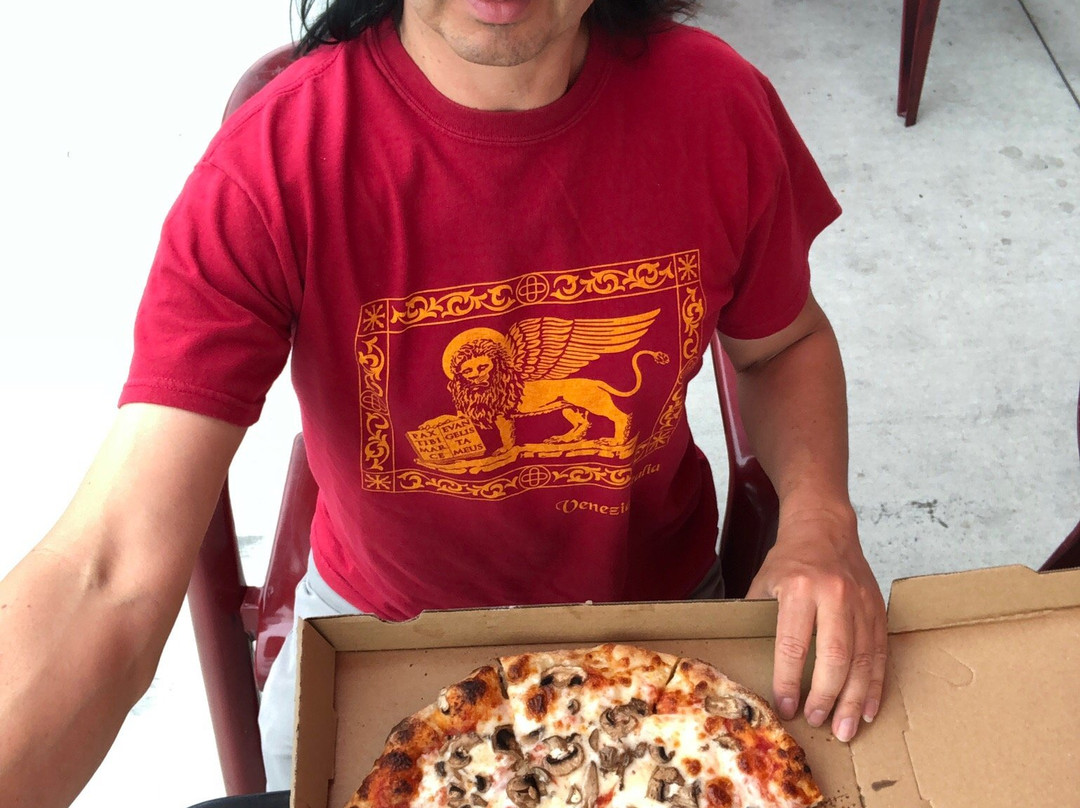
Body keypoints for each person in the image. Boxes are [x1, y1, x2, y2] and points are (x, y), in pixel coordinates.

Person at [0, 0, 888, 802]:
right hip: (374, 630)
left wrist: (820, 517)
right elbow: (106, 574)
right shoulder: (272, 166)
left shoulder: (715, 105)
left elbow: (783, 346)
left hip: (661, 617)